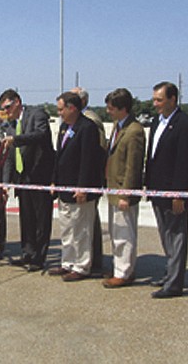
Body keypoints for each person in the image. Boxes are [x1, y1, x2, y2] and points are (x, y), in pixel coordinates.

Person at [145, 82, 188, 299]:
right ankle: (170, 273)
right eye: (154, 99)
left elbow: (186, 163)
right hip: (157, 190)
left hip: (174, 193)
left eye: (159, 100)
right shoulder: (156, 121)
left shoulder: (186, 124)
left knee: (177, 237)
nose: (155, 104)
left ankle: (174, 284)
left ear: (173, 99)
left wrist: (180, 194)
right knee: (166, 236)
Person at [0, 89, 55, 272]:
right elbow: (9, 157)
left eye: (8, 107)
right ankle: (28, 253)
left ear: (17, 102)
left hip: (39, 175)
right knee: (27, 218)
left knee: (41, 219)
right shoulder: (10, 124)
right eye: (4, 109)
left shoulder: (36, 114)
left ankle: (39, 257)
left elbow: (41, 135)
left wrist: (16, 139)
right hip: (22, 177)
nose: (6, 111)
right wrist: (6, 183)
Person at [50, 91, 103, 282]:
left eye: (61, 109)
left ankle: (82, 266)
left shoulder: (87, 128)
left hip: (79, 190)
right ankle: (68, 262)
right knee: (67, 229)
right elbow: (59, 156)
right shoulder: (65, 127)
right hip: (63, 188)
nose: (59, 113)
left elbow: (88, 161)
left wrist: (82, 187)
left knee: (81, 230)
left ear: (72, 108)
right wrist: (54, 180)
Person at [102, 88, 146, 288]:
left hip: (122, 192)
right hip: (113, 190)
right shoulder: (118, 126)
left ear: (123, 108)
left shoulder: (134, 131)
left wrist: (126, 194)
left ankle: (124, 272)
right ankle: (119, 266)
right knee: (115, 233)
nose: (108, 111)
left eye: (111, 108)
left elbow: (133, 166)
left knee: (124, 235)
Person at [71, 87, 106, 271]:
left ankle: (93, 259)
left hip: (88, 180)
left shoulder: (91, 121)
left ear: (83, 102)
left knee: (89, 222)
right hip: (77, 180)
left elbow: (96, 152)